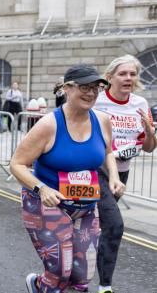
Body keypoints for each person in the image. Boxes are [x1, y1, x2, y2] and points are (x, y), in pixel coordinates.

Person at [9, 64, 124, 293]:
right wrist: (42, 189)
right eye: (84, 87)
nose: (90, 93)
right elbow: (16, 164)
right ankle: (39, 284)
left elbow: (108, 151)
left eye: (95, 88)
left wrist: (114, 177)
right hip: (46, 204)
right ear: (67, 88)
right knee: (60, 271)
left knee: (82, 276)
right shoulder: (49, 124)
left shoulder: (102, 120)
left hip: (86, 207)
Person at [91, 55, 155, 293]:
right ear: (110, 77)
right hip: (96, 171)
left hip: (122, 174)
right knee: (114, 225)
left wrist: (149, 133)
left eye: (132, 74)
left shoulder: (140, 104)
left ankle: (80, 270)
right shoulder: (97, 102)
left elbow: (148, 147)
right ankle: (105, 285)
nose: (128, 78)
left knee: (98, 226)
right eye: (123, 73)